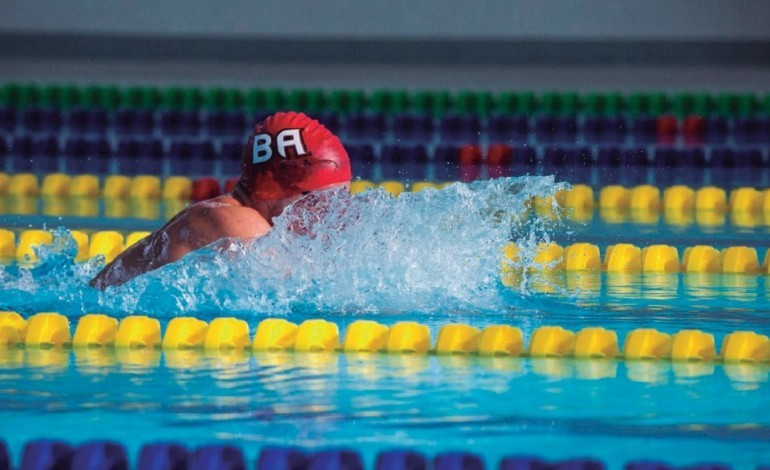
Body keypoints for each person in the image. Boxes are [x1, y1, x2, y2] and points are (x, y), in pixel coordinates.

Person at [90, 111, 352, 289]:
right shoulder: (234, 220)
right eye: (322, 200)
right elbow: (299, 292)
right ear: (281, 190)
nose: (328, 214)